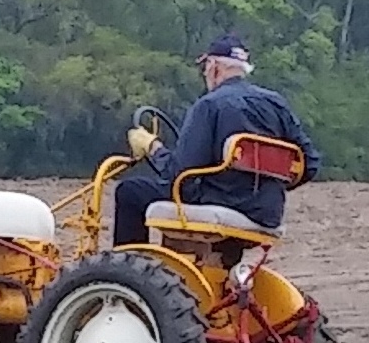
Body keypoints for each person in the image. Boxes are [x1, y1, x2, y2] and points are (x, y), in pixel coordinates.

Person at [112, 34, 322, 246]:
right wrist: (268, 189)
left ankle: (127, 272)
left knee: (130, 191)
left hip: (221, 202)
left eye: (205, 67)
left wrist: (152, 147)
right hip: (267, 212)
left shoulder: (210, 105)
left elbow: (179, 175)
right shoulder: (277, 104)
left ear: (214, 67)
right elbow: (310, 163)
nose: (205, 73)